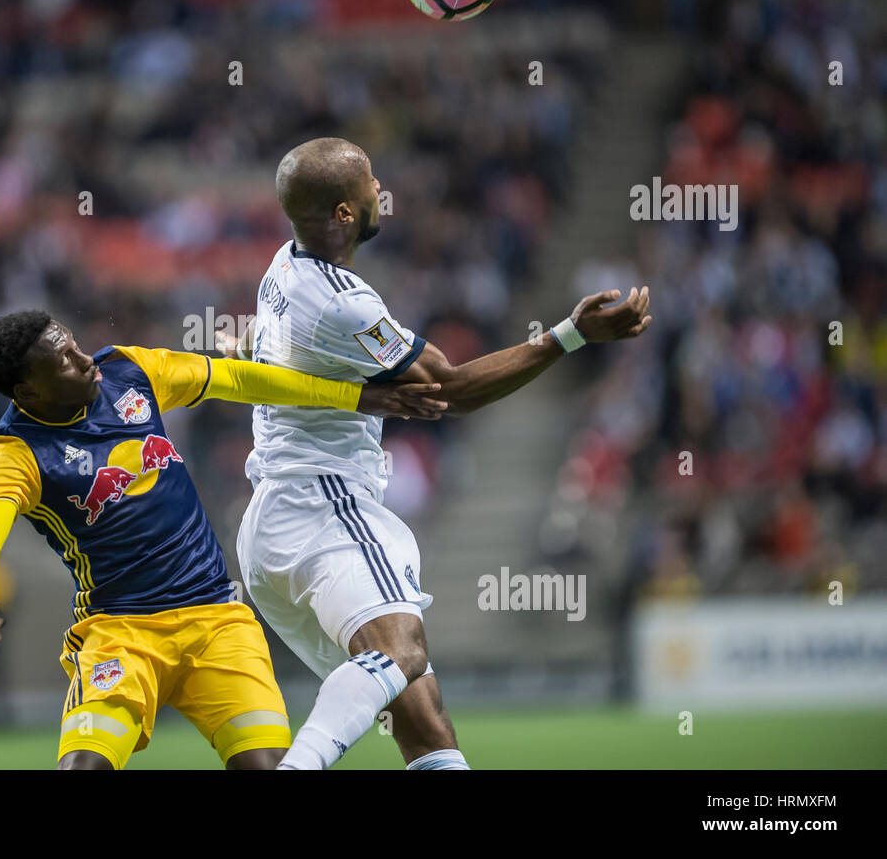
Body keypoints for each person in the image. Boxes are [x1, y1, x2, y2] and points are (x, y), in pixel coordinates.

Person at [222, 137, 652, 769]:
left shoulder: (281, 267)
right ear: (344, 212)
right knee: (401, 654)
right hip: (324, 507)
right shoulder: (345, 303)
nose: (380, 189)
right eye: (370, 180)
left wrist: (351, 393)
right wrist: (571, 335)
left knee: (420, 717)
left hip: (272, 530)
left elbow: (267, 342)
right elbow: (452, 392)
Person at [0, 310, 447, 769]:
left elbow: (236, 379)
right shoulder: (13, 454)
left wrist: (355, 398)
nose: (85, 360)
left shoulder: (129, 371)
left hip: (216, 621)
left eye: (76, 347)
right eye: (63, 361)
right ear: (29, 391)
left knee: (267, 766)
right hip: (121, 635)